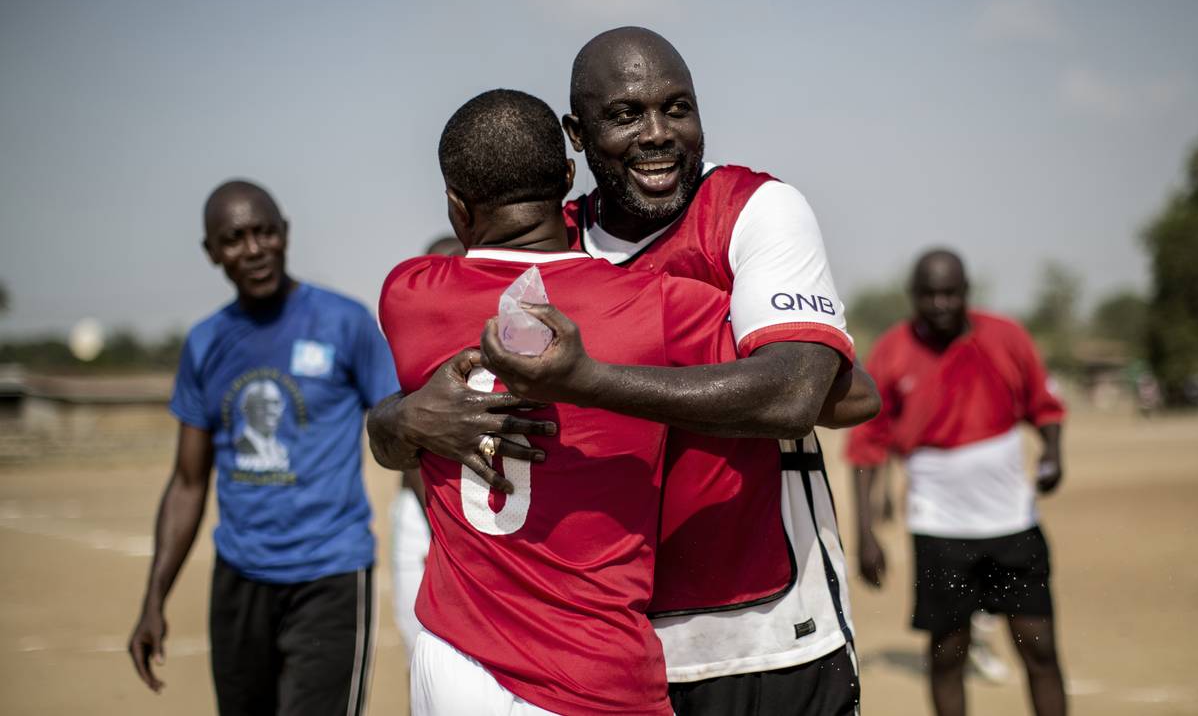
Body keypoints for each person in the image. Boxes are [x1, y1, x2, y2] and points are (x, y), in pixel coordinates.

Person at [370, 27, 879, 715]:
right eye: (626, 115)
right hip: (607, 647)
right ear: (574, 142)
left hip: (766, 628)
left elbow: (805, 392)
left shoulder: (753, 209)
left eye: (678, 108)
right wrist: (397, 417)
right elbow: (413, 406)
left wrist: (586, 379)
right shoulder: (557, 254)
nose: (658, 133)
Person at [384, 88, 740, 715]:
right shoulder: (661, 307)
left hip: (455, 659)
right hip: (594, 668)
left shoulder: (408, 295)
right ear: (569, 180)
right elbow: (812, 380)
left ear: (456, 206)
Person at [127, 180, 396, 716]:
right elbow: (187, 483)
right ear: (210, 252)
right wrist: (153, 597)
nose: (253, 249)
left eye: (265, 232)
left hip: (330, 575)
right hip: (239, 579)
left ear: (285, 234)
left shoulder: (346, 322)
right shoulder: (205, 343)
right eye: (233, 238)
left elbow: (399, 424)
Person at [846, 249, 1068, 716]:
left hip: (1014, 525)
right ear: (914, 296)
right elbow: (867, 445)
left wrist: (1052, 452)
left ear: (967, 292)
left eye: (950, 293)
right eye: (929, 294)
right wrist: (864, 533)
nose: (941, 303)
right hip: (940, 532)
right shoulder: (893, 350)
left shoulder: (1006, 337)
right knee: (948, 655)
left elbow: (1044, 407)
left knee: (1040, 650)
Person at [388, 235, 463, 664]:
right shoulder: (411, 345)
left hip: (478, 512)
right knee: (423, 650)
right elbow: (409, 447)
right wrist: (441, 529)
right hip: (424, 512)